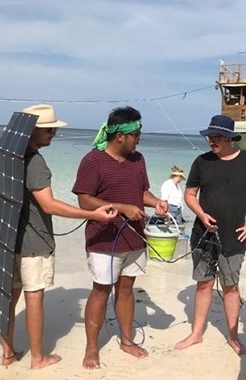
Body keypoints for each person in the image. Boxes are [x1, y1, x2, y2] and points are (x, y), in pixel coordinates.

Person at [2, 104, 117, 369]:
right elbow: (49, 205)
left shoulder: (11, 157)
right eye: (49, 129)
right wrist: (93, 215)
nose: (53, 133)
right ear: (34, 131)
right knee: (34, 296)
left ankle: (8, 354)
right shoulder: (35, 163)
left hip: (10, 237)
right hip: (33, 241)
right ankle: (38, 359)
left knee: (11, 296)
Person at [72, 106, 168, 369]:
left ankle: (126, 340)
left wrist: (156, 202)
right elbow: (84, 199)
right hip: (104, 239)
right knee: (101, 290)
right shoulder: (92, 161)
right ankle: (92, 347)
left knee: (126, 290)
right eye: (136, 134)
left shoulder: (139, 160)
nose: (139, 139)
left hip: (135, 239)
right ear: (120, 137)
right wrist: (122, 208)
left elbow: (142, 193)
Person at [174, 115, 246, 355]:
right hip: (203, 235)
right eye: (209, 137)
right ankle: (196, 334)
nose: (211, 141)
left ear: (230, 137)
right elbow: (189, 194)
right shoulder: (202, 161)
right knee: (203, 284)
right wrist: (201, 214)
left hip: (234, 238)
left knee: (231, 286)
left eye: (216, 137)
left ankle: (233, 336)